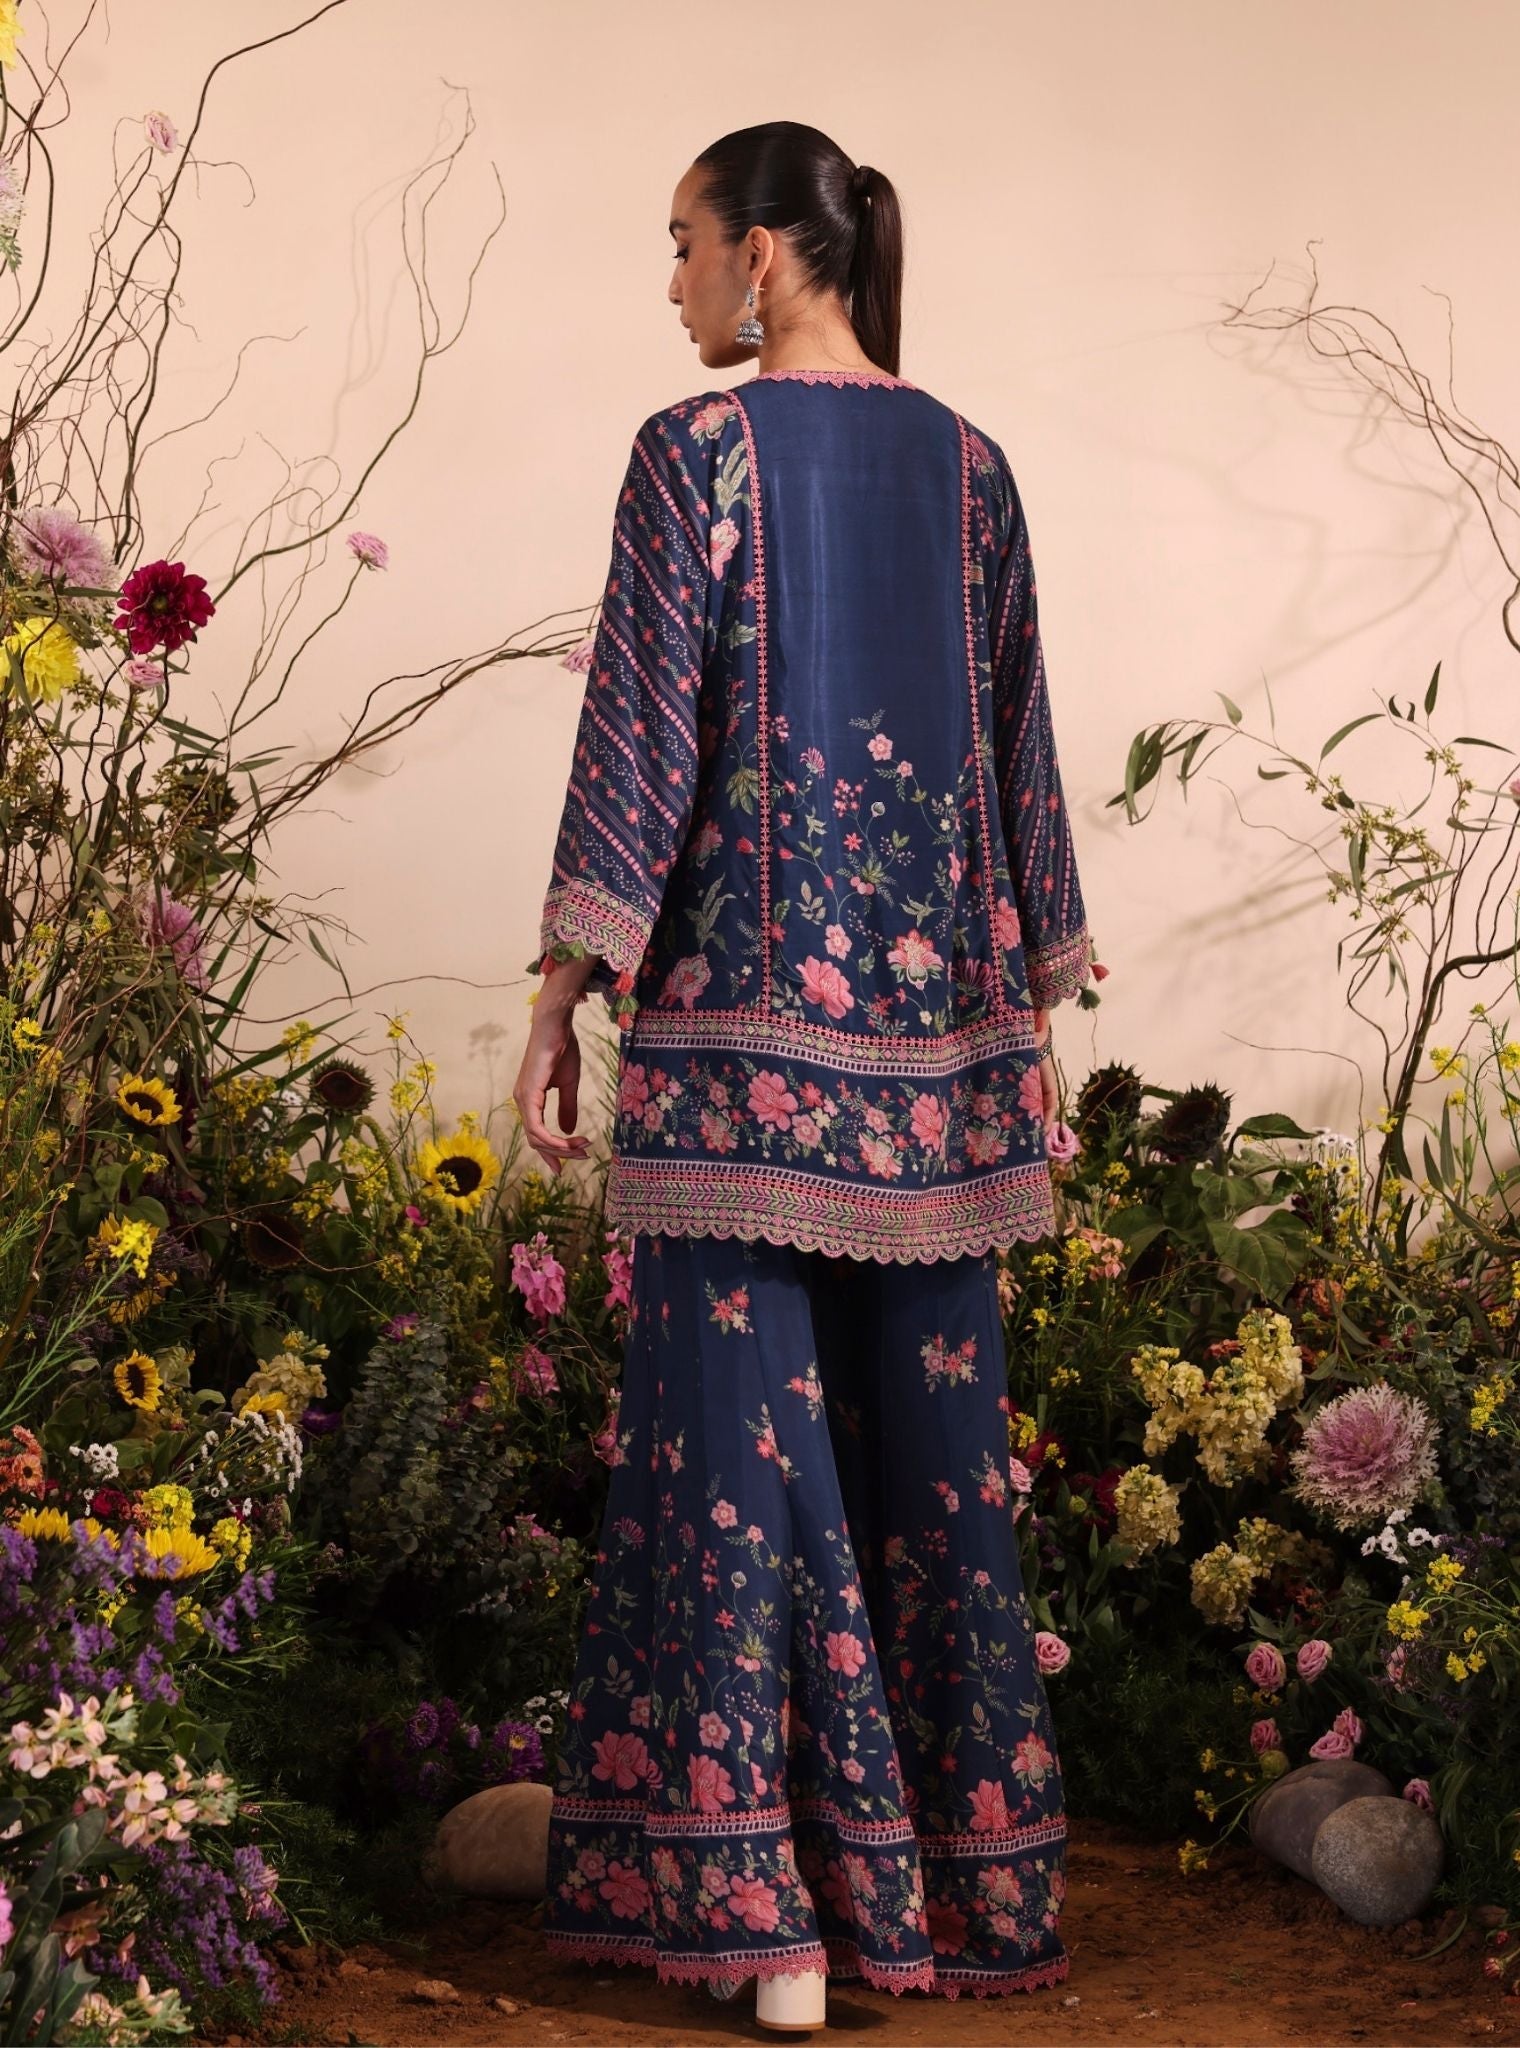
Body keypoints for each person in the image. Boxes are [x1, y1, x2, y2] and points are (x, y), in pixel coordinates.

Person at [514, 120, 1101, 2033]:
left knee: (736, 1465)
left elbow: (641, 734)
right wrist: (1036, 994)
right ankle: (951, 1898)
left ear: (764, 255)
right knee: (934, 1468)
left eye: (684, 241)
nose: (674, 280)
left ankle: (770, 1919)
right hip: (940, 1066)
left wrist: (563, 988)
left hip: (737, 1064)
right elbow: (1019, 750)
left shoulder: (695, 453)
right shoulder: (974, 467)